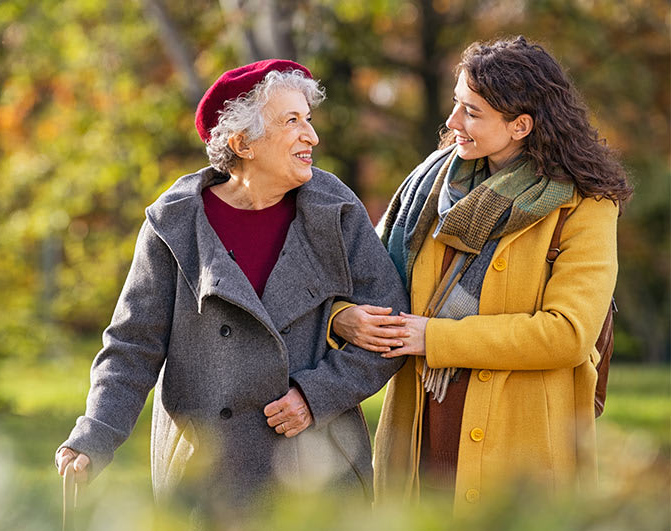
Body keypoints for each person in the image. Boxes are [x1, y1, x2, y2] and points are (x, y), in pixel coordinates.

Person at [54, 60, 409, 516]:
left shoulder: (335, 209)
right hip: (208, 474)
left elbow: (391, 326)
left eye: (308, 119)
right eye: (292, 121)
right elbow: (132, 345)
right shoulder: (175, 223)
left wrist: (316, 394)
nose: (311, 136)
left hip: (318, 469)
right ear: (242, 143)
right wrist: (95, 434)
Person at [331, 36, 632, 513]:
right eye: (456, 104)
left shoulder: (586, 206)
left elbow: (568, 334)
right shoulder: (427, 190)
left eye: (471, 112)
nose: (452, 123)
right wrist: (344, 317)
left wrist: (437, 338)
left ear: (520, 125)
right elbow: (360, 281)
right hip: (420, 433)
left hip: (522, 448)